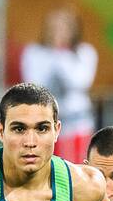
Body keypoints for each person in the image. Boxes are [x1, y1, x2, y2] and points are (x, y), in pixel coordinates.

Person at [20, 9, 97, 163]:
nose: (58, 31)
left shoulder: (84, 52)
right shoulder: (33, 52)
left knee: (75, 169)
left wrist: (61, 53)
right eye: (54, 26)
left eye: (64, 26)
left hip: (77, 124)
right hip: (44, 123)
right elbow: (34, 83)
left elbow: (80, 82)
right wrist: (54, 54)